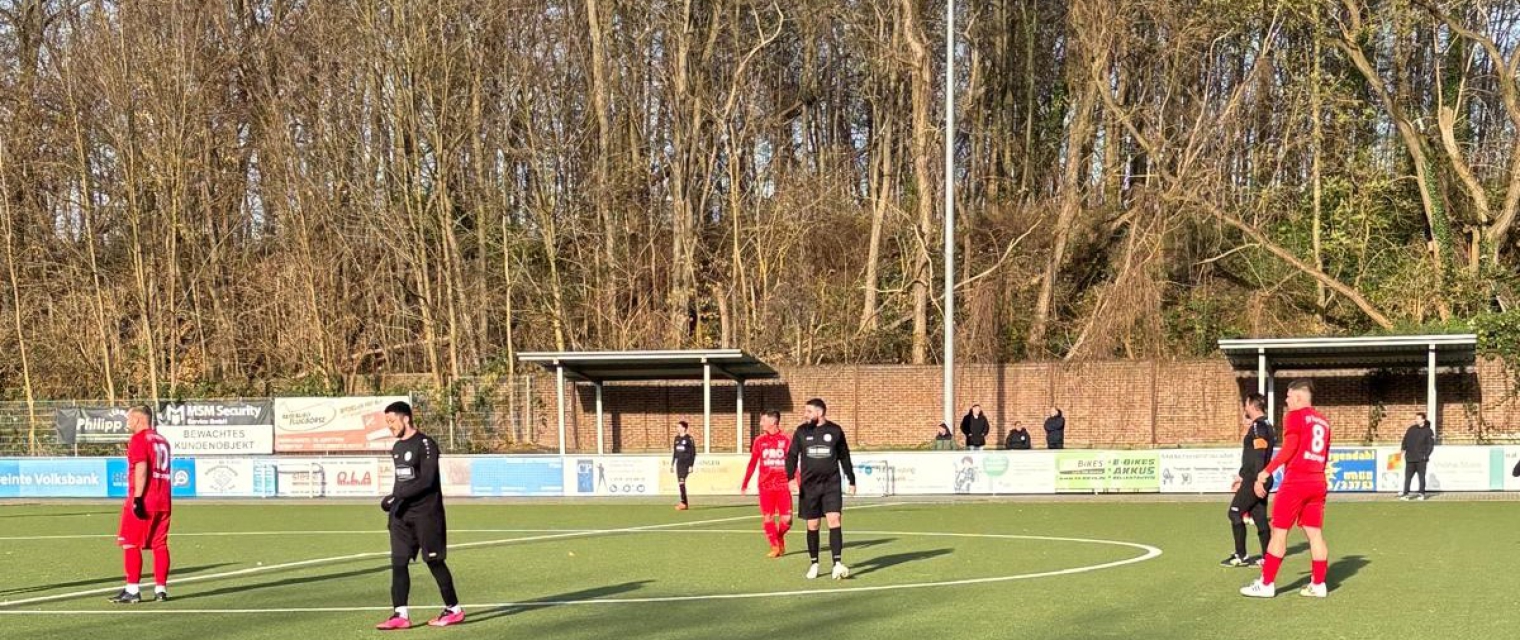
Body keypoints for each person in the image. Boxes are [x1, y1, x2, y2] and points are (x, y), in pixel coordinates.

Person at [375, 401, 464, 630]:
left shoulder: (426, 444)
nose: (390, 426)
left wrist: (398, 496)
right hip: (401, 517)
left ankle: (453, 609)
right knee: (398, 563)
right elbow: (402, 482)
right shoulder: (396, 448)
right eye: (387, 423)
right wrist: (393, 501)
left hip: (427, 515)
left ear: (405, 418)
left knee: (434, 561)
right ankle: (400, 615)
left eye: (392, 421)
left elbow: (427, 480)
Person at [1241, 380, 1331, 599]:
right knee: (1315, 534)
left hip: (1296, 481)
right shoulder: (1324, 421)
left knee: (1279, 532)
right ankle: (1318, 584)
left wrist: (1266, 472)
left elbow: (1290, 448)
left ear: (1299, 398)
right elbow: (1325, 454)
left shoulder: (1295, 416)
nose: (1287, 400)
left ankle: (1266, 583)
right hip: (1318, 480)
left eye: (1289, 397)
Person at [785, 398, 857, 580]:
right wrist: (790, 478)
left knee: (835, 519)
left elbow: (844, 456)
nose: (805, 415)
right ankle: (814, 563)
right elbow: (792, 455)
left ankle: (837, 563)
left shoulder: (835, 431)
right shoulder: (801, 432)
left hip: (831, 484)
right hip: (809, 486)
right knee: (813, 524)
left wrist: (851, 479)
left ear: (820, 412)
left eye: (809, 411)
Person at [108, 405, 173, 604]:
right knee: (159, 544)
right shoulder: (162, 440)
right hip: (164, 499)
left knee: (130, 543)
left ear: (138, 419)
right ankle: (161, 589)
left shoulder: (139, 439)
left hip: (146, 498)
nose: (127, 423)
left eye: (129, 419)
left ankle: (132, 590)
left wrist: (137, 498)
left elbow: (142, 467)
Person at [1222, 393, 1275, 568]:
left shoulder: (1257, 427)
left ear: (1252, 405)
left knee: (1235, 513)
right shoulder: (1267, 425)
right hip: (1259, 476)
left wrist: (1257, 480)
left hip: (1256, 478)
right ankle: (1268, 557)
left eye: (1245, 404)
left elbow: (1258, 455)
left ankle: (1240, 555)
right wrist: (1242, 475)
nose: (1244, 408)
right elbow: (1252, 455)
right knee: (1259, 517)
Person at [741, 411, 794, 557]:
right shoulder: (759, 441)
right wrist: (745, 483)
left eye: (763, 420)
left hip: (783, 486)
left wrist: (798, 481)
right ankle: (775, 547)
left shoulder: (786, 439)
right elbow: (752, 463)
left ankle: (779, 536)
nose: (760, 423)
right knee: (768, 517)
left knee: (787, 520)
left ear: (773, 421)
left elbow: (793, 463)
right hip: (765, 486)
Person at [1400, 413, 1436, 501]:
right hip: (1410, 458)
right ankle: (1405, 494)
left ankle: (1421, 493)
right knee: (1408, 477)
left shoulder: (1428, 431)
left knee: (1421, 477)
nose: (1416, 420)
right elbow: (1405, 439)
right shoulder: (1411, 429)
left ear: (1423, 420)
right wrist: (1403, 449)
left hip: (1421, 459)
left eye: (1418, 419)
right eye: (1416, 418)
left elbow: (1430, 445)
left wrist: (1426, 455)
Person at [672, 421, 697, 510]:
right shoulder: (676, 438)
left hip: (686, 463)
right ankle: (684, 503)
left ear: (684, 428)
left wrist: (691, 465)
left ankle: (683, 503)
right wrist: (672, 464)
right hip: (679, 463)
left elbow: (693, 453)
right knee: (680, 483)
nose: (677, 428)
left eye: (678, 427)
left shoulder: (689, 438)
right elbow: (675, 452)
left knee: (682, 481)